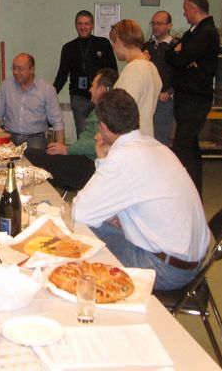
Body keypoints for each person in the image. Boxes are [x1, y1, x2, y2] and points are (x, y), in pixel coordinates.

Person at [73, 89, 209, 290]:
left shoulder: (123, 158)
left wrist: (104, 162)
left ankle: (92, 294)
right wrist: (103, 159)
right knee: (102, 218)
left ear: (103, 127)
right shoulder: (157, 147)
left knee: (86, 229)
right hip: (191, 261)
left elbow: (79, 213)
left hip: (164, 269)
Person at [25, 68, 118, 191]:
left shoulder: (105, 113)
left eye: (92, 86)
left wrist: (67, 149)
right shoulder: (101, 111)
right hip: (81, 160)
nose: (90, 89)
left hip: (87, 165)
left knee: (29, 155)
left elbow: (98, 142)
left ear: (101, 89)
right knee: (39, 160)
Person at [166, 0, 220, 196]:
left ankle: (185, 194)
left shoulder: (207, 33)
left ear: (194, 9)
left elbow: (180, 59)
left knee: (181, 148)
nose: (184, 13)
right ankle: (194, 194)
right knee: (190, 148)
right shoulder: (194, 31)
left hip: (195, 99)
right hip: (187, 98)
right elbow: (171, 54)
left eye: (185, 9)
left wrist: (181, 55)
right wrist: (180, 53)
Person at [53, 10, 117, 135]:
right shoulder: (68, 48)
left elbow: (113, 72)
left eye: (86, 24)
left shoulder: (103, 44)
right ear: (75, 25)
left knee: (103, 134)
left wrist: (111, 95)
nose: (83, 27)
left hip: (101, 97)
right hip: (79, 98)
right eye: (80, 24)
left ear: (92, 25)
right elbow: (62, 75)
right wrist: (51, 94)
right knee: (83, 134)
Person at [0, 53, 65, 150]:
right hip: (10, 135)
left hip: (35, 137)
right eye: (14, 68)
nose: (15, 72)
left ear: (32, 69)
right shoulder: (6, 86)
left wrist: (60, 146)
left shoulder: (47, 89)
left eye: (20, 69)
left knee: (36, 157)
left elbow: (57, 121)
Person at [110, 19, 161, 138]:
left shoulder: (134, 69)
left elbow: (122, 112)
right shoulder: (151, 67)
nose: (113, 47)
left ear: (118, 40)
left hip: (130, 139)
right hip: (145, 136)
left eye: (113, 42)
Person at [143, 10, 178, 145]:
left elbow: (181, 74)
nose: (155, 27)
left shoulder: (175, 47)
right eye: (153, 23)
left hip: (164, 100)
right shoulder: (147, 46)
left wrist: (169, 93)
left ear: (169, 26)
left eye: (159, 23)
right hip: (147, 99)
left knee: (160, 140)